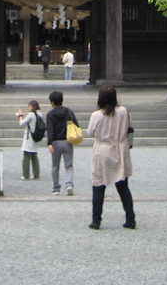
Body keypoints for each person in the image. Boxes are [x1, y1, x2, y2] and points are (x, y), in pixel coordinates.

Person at [86, 83, 135, 230]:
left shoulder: (97, 115)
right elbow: (130, 129)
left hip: (103, 149)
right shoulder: (123, 112)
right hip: (120, 148)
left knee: (98, 185)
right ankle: (130, 218)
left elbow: (90, 132)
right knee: (123, 186)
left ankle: (96, 220)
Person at [46, 90, 78, 195]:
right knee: (69, 165)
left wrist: (49, 143)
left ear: (52, 102)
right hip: (67, 141)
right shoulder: (69, 112)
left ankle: (56, 188)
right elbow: (76, 124)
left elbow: (50, 130)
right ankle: (69, 184)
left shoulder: (50, 114)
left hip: (55, 142)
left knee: (55, 166)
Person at [16, 100, 42, 180]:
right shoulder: (39, 114)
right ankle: (36, 174)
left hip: (29, 137)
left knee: (26, 157)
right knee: (34, 156)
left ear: (32, 106)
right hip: (35, 136)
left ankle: (26, 174)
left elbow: (22, 123)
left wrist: (20, 115)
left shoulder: (31, 114)